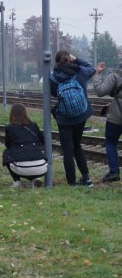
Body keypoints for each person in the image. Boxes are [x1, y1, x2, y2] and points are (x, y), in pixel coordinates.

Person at [50, 50, 95, 186]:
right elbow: (91, 69)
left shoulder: (54, 77)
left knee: (68, 151)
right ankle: (87, 178)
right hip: (81, 115)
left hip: (64, 118)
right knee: (77, 146)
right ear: (70, 59)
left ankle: (72, 182)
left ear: (57, 62)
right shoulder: (80, 71)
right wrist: (77, 60)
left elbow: (53, 94)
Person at [92, 55, 122, 183]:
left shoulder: (115, 75)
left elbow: (100, 91)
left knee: (111, 142)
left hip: (117, 113)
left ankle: (114, 172)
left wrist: (97, 74)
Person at [2, 104, 48, 188]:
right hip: (42, 168)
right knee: (30, 156)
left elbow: (7, 145)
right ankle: (34, 179)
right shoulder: (34, 125)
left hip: (21, 168)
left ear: (12, 114)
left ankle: (17, 181)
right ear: (25, 113)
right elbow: (43, 141)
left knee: (6, 153)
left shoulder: (9, 128)